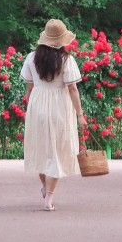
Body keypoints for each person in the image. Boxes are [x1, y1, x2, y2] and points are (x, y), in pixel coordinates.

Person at [21, 19, 87, 211]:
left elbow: (29, 86)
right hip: (60, 106)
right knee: (57, 151)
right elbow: (73, 89)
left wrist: (29, 106)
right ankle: (48, 197)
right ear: (62, 40)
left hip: (38, 104)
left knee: (40, 149)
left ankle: (44, 186)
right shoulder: (66, 60)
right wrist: (80, 114)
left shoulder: (32, 58)